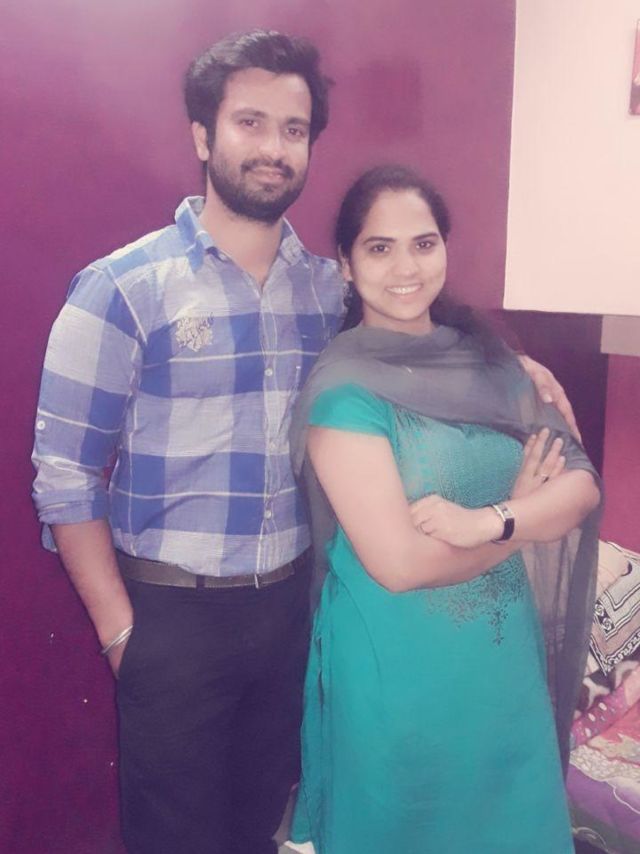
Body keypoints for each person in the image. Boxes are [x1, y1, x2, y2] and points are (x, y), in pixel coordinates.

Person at [31, 29, 578, 854]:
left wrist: (516, 365)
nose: (273, 148)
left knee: (263, 826)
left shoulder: (330, 290)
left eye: (293, 129)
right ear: (203, 136)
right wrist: (121, 633)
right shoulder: (122, 289)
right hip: (172, 614)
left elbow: (419, 333)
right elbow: (65, 474)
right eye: (249, 123)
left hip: (294, 608)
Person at [287, 165, 601, 854]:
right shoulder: (344, 392)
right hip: (397, 679)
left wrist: (492, 519)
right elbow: (400, 565)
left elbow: (580, 484)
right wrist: (526, 518)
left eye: (423, 244)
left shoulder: (492, 363)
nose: (406, 268)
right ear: (346, 264)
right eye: (380, 248)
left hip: (502, 673)